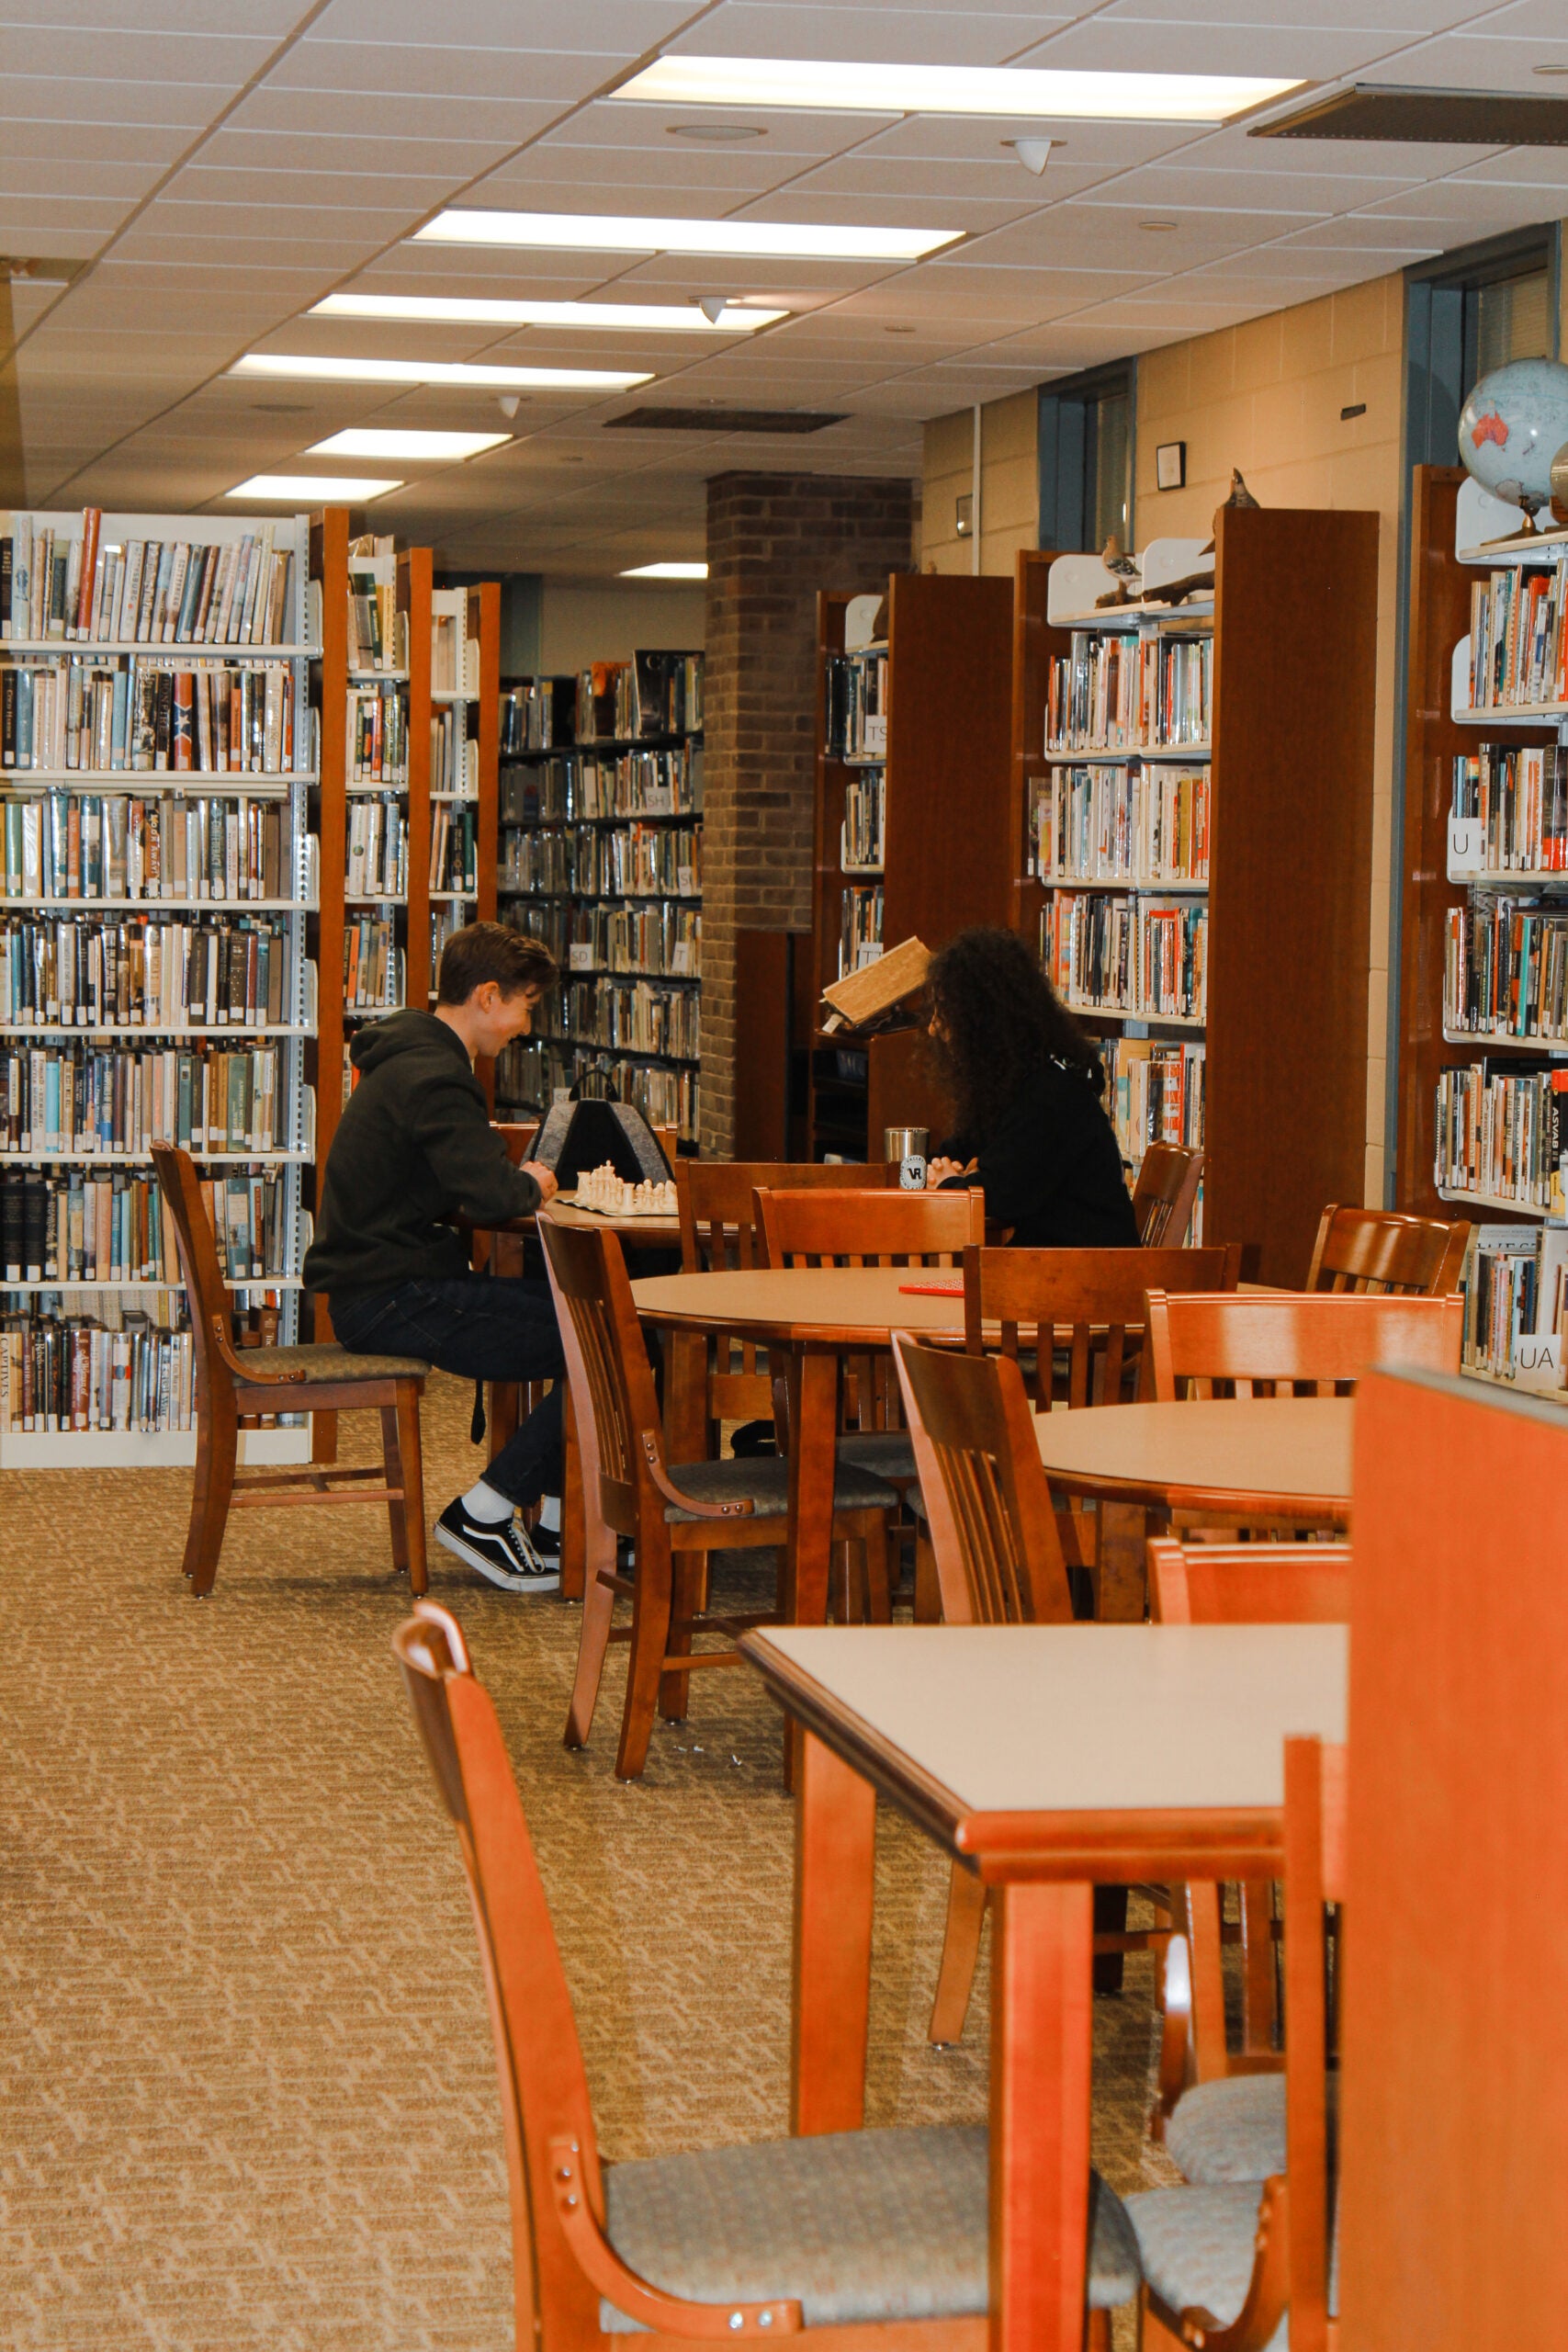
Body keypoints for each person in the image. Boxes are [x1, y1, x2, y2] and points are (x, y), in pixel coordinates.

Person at [301, 922, 570, 1595]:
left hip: (384, 1286)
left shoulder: (410, 1056)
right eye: (524, 1005)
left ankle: (558, 1526)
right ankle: (486, 1513)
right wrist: (533, 1181)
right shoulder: (437, 1078)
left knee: (581, 1330)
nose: (523, 1027)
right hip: (395, 1296)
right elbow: (489, 1195)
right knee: (601, 1344)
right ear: (487, 996)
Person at [921, 925, 1140, 1248]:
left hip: (1084, 1279)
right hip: (1054, 1267)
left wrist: (948, 1184)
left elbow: (1000, 1197)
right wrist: (949, 1170)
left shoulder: (1050, 1099)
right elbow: (962, 1150)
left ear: (982, 1021)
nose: (933, 1028)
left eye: (945, 1012)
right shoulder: (1016, 1087)